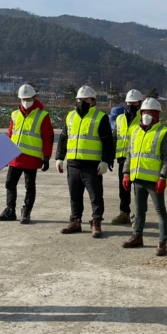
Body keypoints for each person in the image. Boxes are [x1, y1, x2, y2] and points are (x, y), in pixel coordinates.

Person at [55, 85, 114, 238]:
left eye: (85, 99)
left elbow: (108, 142)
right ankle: (75, 221)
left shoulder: (100, 117)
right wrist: (59, 157)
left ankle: (96, 221)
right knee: (74, 196)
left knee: (95, 196)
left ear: (93, 101)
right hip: (73, 164)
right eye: (79, 99)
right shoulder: (70, 116)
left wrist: (105, 161)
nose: (81, 102)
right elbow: (63, 138)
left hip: (92, 166)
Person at [0, 84, 54, 224]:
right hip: (14, 157)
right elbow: (10, 135)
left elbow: (48, 138)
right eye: (23, 99)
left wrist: (46, 157)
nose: (25, 101)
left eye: (28, 98)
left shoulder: (42, 115)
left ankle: (26, 211)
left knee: (29, 186)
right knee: (9, 184)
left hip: (31, 158)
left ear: (34, 98)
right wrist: (5, 154)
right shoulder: (15, 114)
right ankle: (10, 211)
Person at [121, 98, 167, 255]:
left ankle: (162, 242)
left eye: (150, 113)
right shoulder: (135, 131)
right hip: (138, 179)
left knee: (160, 212)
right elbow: (130, 155)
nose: (146, 115)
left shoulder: (164, 133)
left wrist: (163, 177)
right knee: (139, 211)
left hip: (154, 181)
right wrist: (126, 173)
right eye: (143, 112)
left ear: (157, 115)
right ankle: (137, 236)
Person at [111, 89, 143, 225]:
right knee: (123, 189)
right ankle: (124, 213)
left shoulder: (143, 119)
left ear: (139, 103)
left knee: (138, 190)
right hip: (122, 159)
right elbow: (114, 138)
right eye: (129, 102)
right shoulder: (119, 119)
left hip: (138, 160)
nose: (130, 105)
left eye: (133, 103)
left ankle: (139, 216)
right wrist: (110, 157)